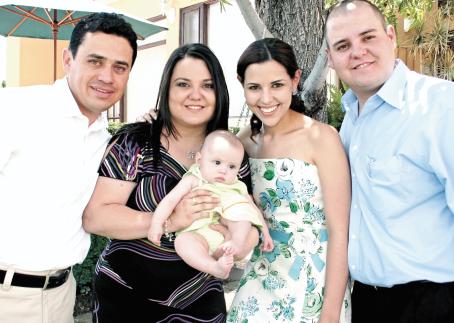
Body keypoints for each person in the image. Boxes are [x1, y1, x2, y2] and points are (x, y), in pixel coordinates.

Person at [82, 43, 259, 322]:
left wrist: (235, 244)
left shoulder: (232, 156)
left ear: (220, 92)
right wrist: (171, 220)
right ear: (167, 89)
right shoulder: (135, 142)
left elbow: (248, 223)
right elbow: (95, 217)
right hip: (124, 296)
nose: (195, 95)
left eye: (207, 85)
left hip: (199, 300)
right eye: (183, 84)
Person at [0, 13, 137, 323]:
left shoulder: (106, 140)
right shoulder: (8, 109)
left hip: (61, 296)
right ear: (68, 59)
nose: (107, 77)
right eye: (95, 61)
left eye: (119, 67)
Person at [325, 1, 454, 322]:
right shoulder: (350, 119)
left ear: (391, 36)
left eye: (368, 37)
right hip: (368, 300)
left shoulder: (441, 106)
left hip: (432, 301)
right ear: (330, 58)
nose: (358, 52)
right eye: (343, 45)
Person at [227, 38, 352, 323]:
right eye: (254, 87)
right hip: (260, 278)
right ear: (241, 84)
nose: (266, 99)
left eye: (277, 85)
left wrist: (330, 313)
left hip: (311, 283)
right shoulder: (245, 141)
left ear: (295, 80)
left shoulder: (322, 138)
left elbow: (340, 231)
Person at [148, 130, 274, 279]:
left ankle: (236, 244)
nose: (223, 170)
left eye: (232, 167)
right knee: (183, 242)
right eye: (217, 162)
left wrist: (266, 233)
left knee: (243, 212)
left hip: (231, 236)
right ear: (199, 160)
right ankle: (214, 267)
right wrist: (156, 224)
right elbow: (170, 200)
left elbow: (253, 210)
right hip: (199, 234)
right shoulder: (193, 179)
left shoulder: (237, 186)